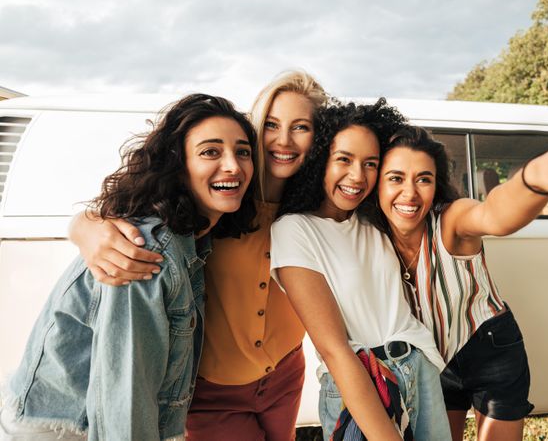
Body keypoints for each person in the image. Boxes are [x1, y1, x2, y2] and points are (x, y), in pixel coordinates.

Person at [364, 62, 548, 441]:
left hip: (491, 347)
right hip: (433, 357)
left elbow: (495, 212)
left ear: (437, 186)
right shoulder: (367, 236)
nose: (409, 193)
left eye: (424, 179)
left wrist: (537, 178)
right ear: (376, 185)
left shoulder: (451, 221)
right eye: (395, 178)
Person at [67, 70, 328, 440]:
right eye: (271, 124)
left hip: (286, 376)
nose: (283, 139)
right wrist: (84, 226)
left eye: (300, 126)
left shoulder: (318, 208)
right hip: (213, 393)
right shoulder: (222, 198)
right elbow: (140, 216)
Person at [0, 94, 257, 441]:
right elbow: (123, 395)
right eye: (211, 151)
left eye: (242, 152)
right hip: (63, 428)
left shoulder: (196, 239)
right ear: (179, 166)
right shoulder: (146, 252)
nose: (233, 166)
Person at [271, 99, 452, 440]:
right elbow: (334, 349)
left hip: (419, 371)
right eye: (344, 159)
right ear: (319, 159)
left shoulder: (374, 221)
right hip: (358, 382)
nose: (357, 176)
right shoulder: (294, 230)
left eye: (371, 163)